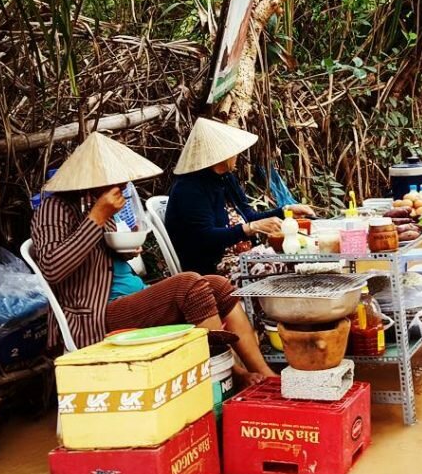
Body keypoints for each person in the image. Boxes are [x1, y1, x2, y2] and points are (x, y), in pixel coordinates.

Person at [30, 132, 274, 381]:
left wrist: (126, 250)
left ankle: (263, 374)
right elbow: (52, 267)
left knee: (219, 286)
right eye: (117, 179)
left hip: (132, 297)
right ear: (93, 179)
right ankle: (229, 374)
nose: (124, 186)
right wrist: (97, 218)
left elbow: (102, 260)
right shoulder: (54, 210)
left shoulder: (97, 202)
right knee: (188, 284)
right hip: (95, 314)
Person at [165, 118, 314, 278]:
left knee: (303, 256)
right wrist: (250, 228)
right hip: (216, 269)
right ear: (221, 155)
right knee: (289, 267)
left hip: (247, 257)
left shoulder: (225, 178)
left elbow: (249, 216)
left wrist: (285, 211)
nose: (237, 155)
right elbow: (204, 237)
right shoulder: (189, 189)